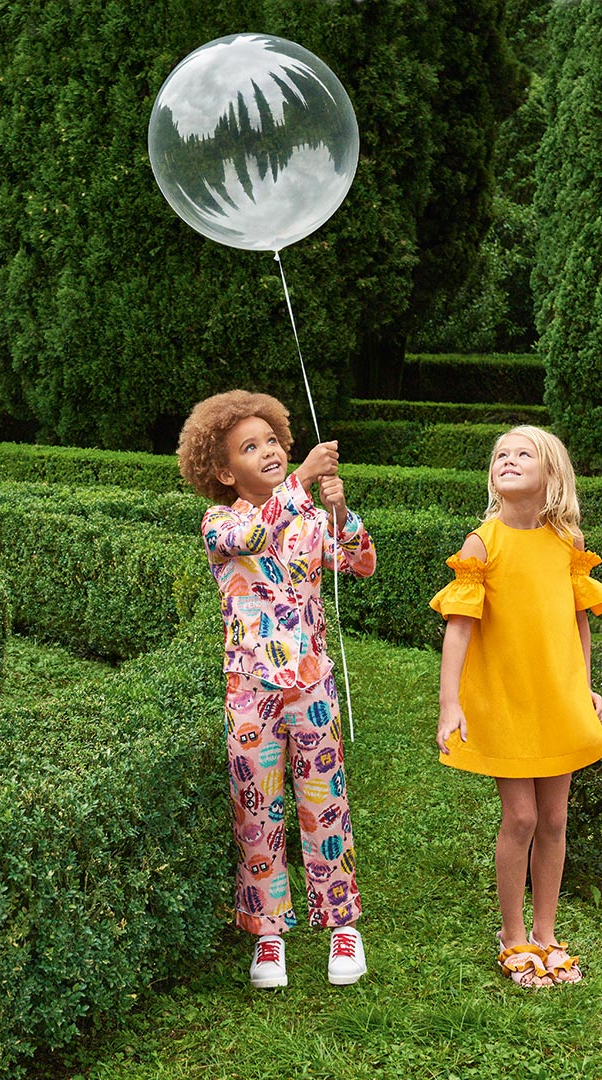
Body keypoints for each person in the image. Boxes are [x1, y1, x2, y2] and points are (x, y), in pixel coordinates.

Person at [177, 389, 376, 990]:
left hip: (311, 686)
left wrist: (340, 512)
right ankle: (268, 934)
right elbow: (253, 537)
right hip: (250, 691)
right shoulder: (221, 523)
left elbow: (360, 563)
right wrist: (303, 480)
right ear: (223, 471)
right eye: (249, 447)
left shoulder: (308, 517)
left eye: (271, 441)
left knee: (324, 801)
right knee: (256, 808)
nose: (267, 451)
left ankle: (340, 923)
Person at [431, 425, 602, 988]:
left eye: (522, 454)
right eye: (501, 455)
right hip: (505, 701)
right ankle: (512, 937)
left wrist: (584, 686)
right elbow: (459, 629)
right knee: (523, 817)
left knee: (555, 819)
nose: (507, 460)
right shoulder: (482, 543)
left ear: (551, 472)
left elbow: (578, 622)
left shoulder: (568, 542)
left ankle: (546, 935)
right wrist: (450, 703)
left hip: (557, 699)